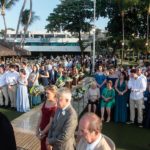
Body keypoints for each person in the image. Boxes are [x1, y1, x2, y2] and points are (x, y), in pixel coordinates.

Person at [36, 85, 57, 150]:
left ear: (54, 93)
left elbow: (51, 123)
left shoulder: (56, 105)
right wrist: (37, 129)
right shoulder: (46, 101)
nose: (46, 95)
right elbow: (41, 115)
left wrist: (42, 133)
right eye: (45, 93)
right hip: (42, 129)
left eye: (48, 93)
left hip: (49, 132)